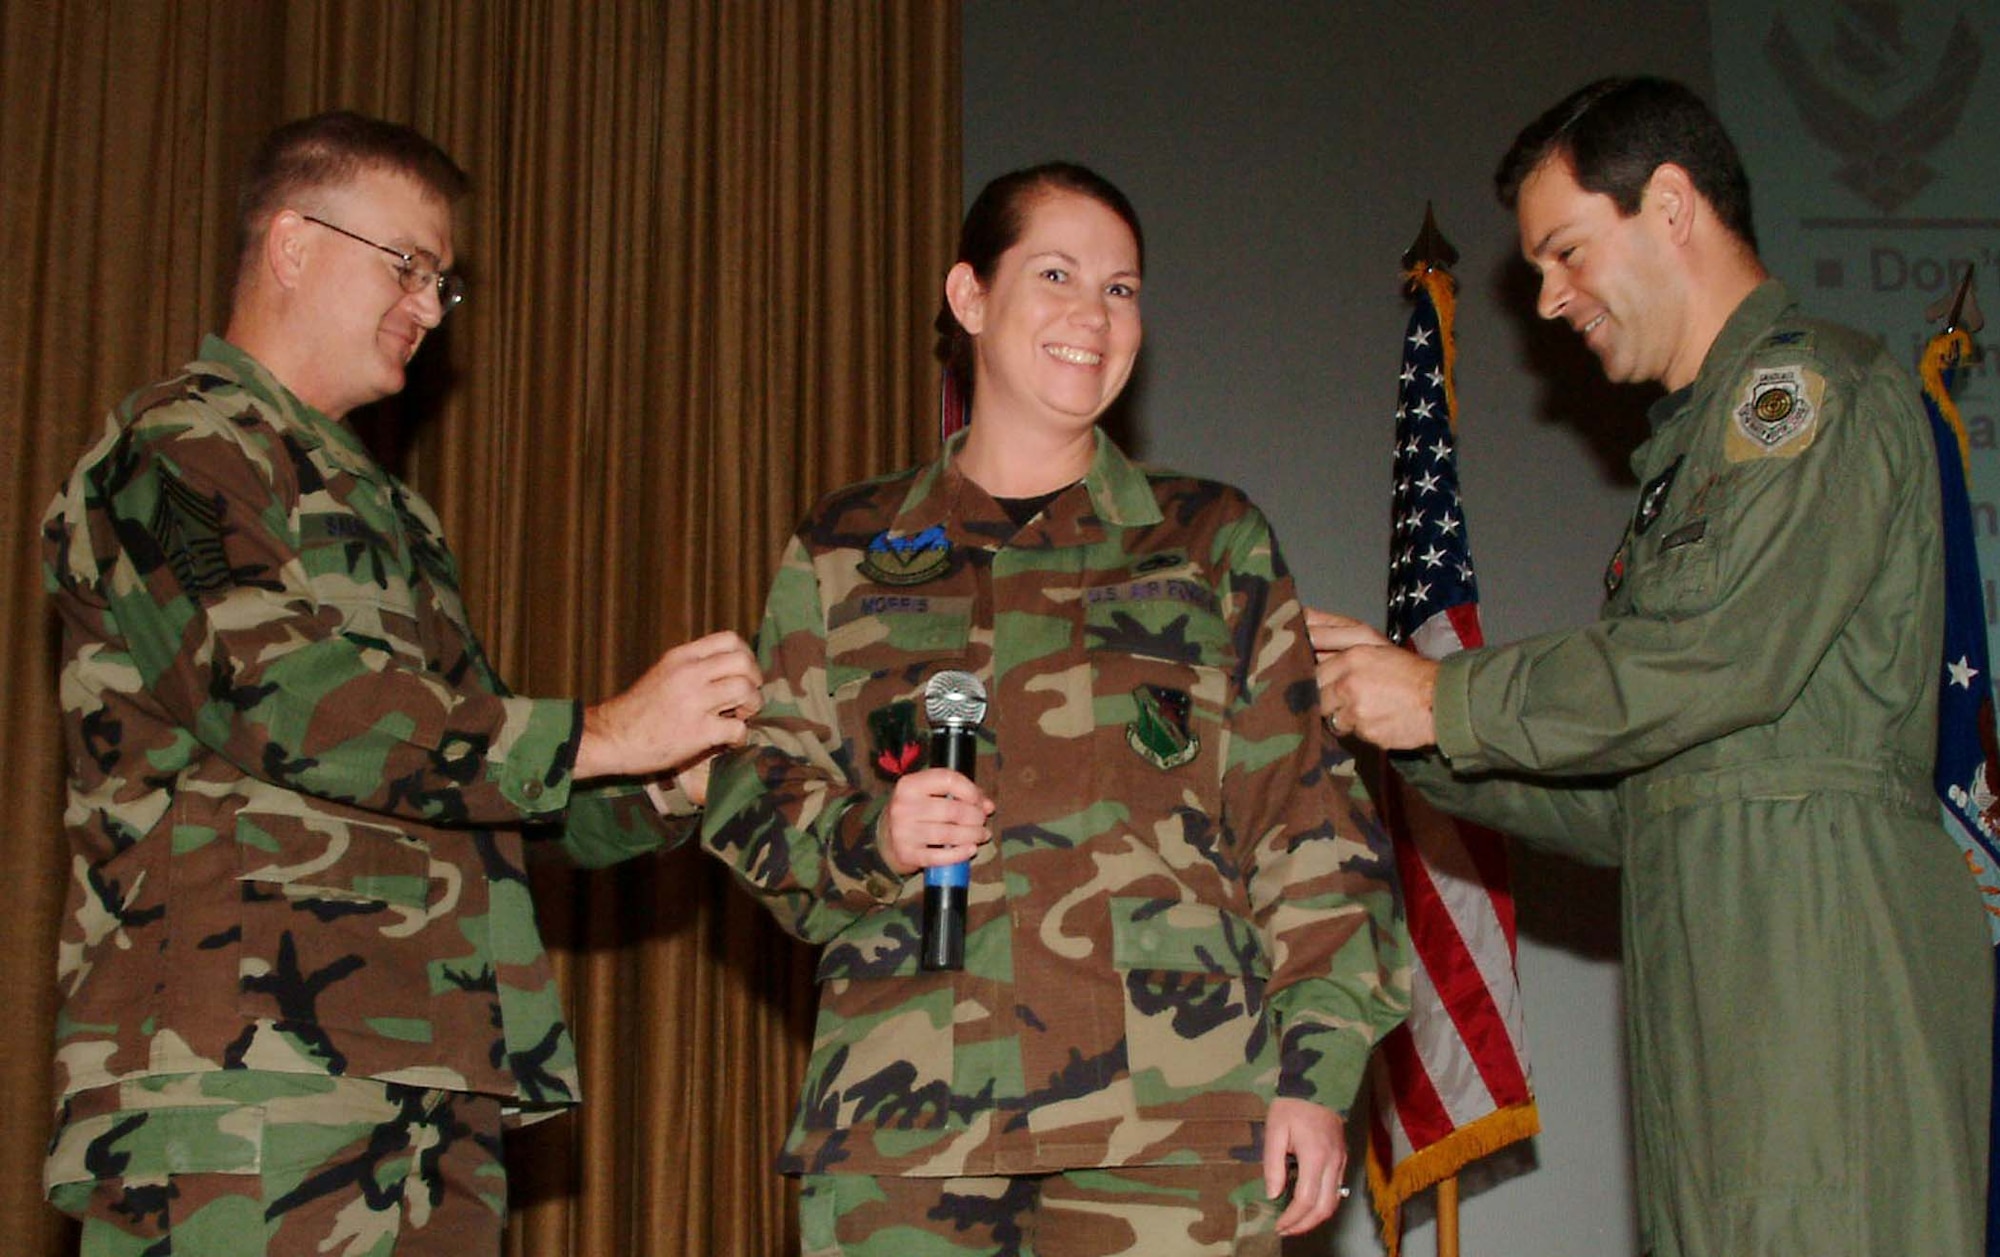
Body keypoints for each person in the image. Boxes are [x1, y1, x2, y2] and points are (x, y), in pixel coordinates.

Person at [39, 111, 762, 1255]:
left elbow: (468, 779)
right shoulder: (177, 450)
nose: (428, 308)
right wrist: (603, 731)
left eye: (443, 283)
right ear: (291, 244)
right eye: (408, 266)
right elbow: (273, 695)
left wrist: (655, 787)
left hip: (432, 1081)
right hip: (248, 1077)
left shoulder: (393, 511)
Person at [1312, 77, 1992, 1256]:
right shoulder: (1686, 461)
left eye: (1564, 252)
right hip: (1723, 970)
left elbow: (1711, 658)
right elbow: (1653, 796)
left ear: (1668, 205)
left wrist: (1443, 697)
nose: (1547, 297)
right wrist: (1414, 737)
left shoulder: (1805, 397)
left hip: (1820, 964)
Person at [700, 162, 1408, 1254]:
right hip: (905, 1125)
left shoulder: (1209, 540)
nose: (1093, 314)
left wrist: (1315, 1074)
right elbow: (752, 792)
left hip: (1169, 1129)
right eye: (1057, 274)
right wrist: (865, 835)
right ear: (969, 298)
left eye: (1121, 289)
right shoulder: (845, 546)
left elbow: (1305, 821)